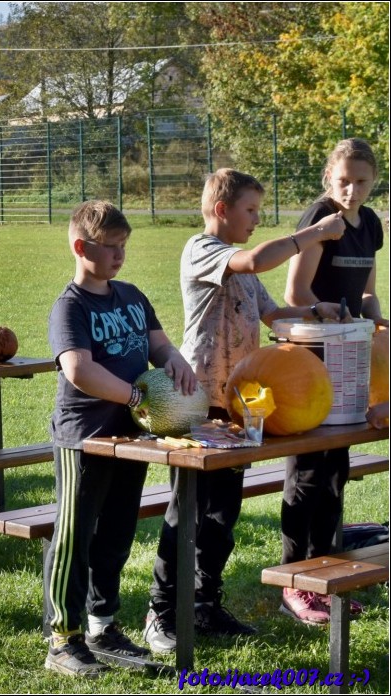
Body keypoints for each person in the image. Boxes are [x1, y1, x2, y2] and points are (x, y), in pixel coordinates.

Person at [143, 169, 347, 654]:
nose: (257, 219)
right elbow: (255, 259)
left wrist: (317, 313)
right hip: (196, 402)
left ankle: (205, 605)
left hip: (237, 407)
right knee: (187, 509)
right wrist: (313, 233)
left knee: (222, 511)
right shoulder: (203, 251)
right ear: (222, 211)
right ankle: (162, 611)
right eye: (251, 211)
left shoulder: (245, 275)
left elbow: (275, 317)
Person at [44, 201, 198, 677]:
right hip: (84, 439)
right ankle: (61, 639)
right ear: (80, 246)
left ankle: (101, 626)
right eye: (110, 247)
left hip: (131, 437)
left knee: (115, 535)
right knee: (75, 538)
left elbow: (158, 343)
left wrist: (175, 359)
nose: (119, 256)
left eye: (123, 246)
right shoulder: (71, 305)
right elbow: (79, 370)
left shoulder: (130, 295)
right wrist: (134, 394)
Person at [281, 138, 387, 625]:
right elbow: (295, 293)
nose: (351, 189)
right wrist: (330, 320)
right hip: (309, 357)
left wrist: (378, 322)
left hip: (351, 354)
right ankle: (292, 580)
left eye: (361, 181)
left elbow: (366, 292)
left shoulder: (372, 225)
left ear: (374, 181)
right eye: (343, 180)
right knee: (307, 469)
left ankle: (324, 570)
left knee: (336, 466)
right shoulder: (319, 219)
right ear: (329, 178)